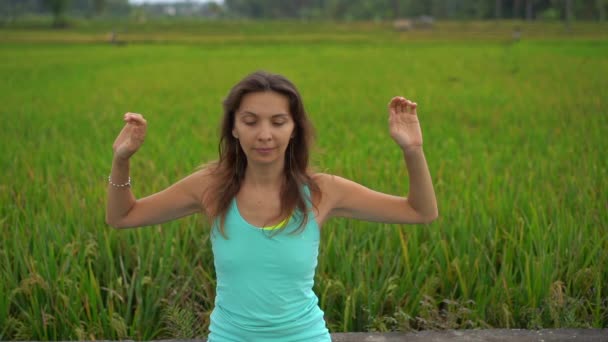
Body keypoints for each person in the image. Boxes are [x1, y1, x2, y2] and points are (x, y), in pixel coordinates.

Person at [106, 70, 438, 341]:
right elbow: (123, 216)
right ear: (234, 128)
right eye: (251, 121)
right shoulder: (209, 187)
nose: (264, 134)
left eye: (278, 122)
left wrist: (412, 149)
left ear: (294, 130)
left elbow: (420, 212)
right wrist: (122, 160)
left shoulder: (322, 192)